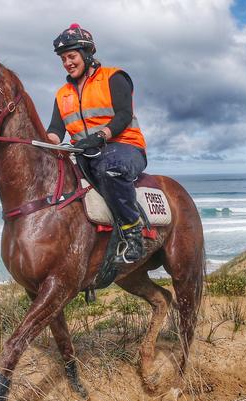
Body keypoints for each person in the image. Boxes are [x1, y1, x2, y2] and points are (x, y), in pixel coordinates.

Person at [47, 23, 148, 264]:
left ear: (86, 54)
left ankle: (133, 231)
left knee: (109, 169)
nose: (67, 63)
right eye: (63, 59)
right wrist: (45, 143)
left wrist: (101, 136)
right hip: (84, 153)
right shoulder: (62, 94)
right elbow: (55, 130)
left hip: (124, 146)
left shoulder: (114, 77)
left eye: (71, 56)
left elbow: (123, 115)